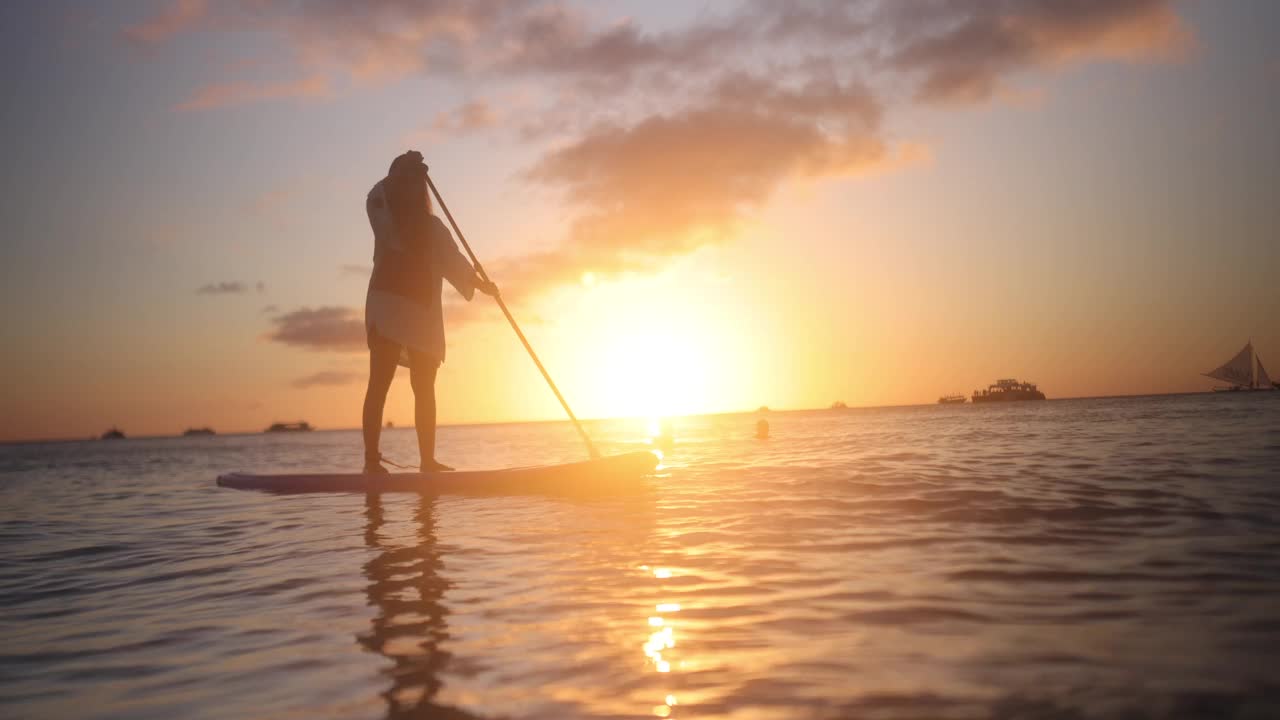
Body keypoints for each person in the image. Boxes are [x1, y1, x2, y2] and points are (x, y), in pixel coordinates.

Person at [362, 150, 497, 474]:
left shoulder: (433, 228)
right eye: (405, 182)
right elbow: (375, 196)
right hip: (388, 307)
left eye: (415, 183)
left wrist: (480, 284)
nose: (411, 189)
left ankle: (427, 462)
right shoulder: (385, 216)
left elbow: (455, 261)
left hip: (422, 315)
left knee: (425, 387)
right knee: (379, 382)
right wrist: (402, 168)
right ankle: (371, 462)